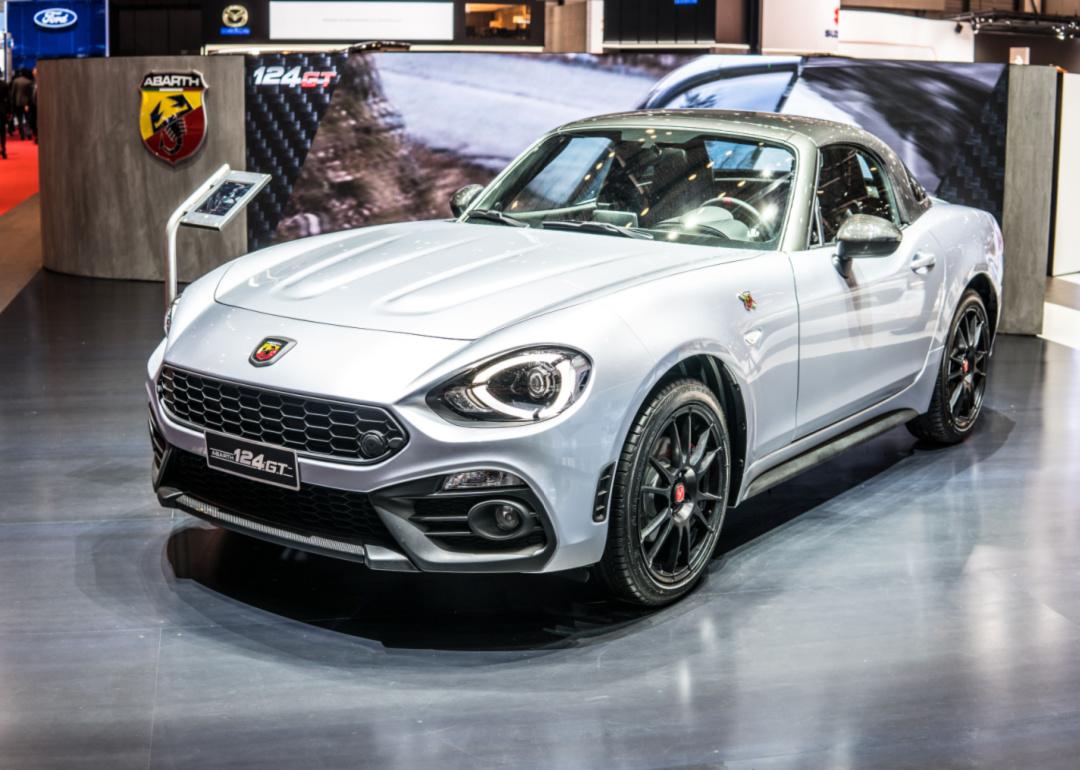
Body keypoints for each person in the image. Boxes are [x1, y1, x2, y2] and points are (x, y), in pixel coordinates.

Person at [10, 69, 33, 141]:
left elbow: (13, 93)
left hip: (17, 103)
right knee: (27, 119)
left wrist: (12, 102)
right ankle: (28, 133)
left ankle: (22, 134)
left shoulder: (15, 81)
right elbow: (30, 95)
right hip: (26, 103)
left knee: (20, 119)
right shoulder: (28, 82)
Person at [0, 75, 9, 159]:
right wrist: (9, 112)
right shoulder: (4, 85)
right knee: (2, 131)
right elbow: (8, 99)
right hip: (1, 110)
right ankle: (3, 148)